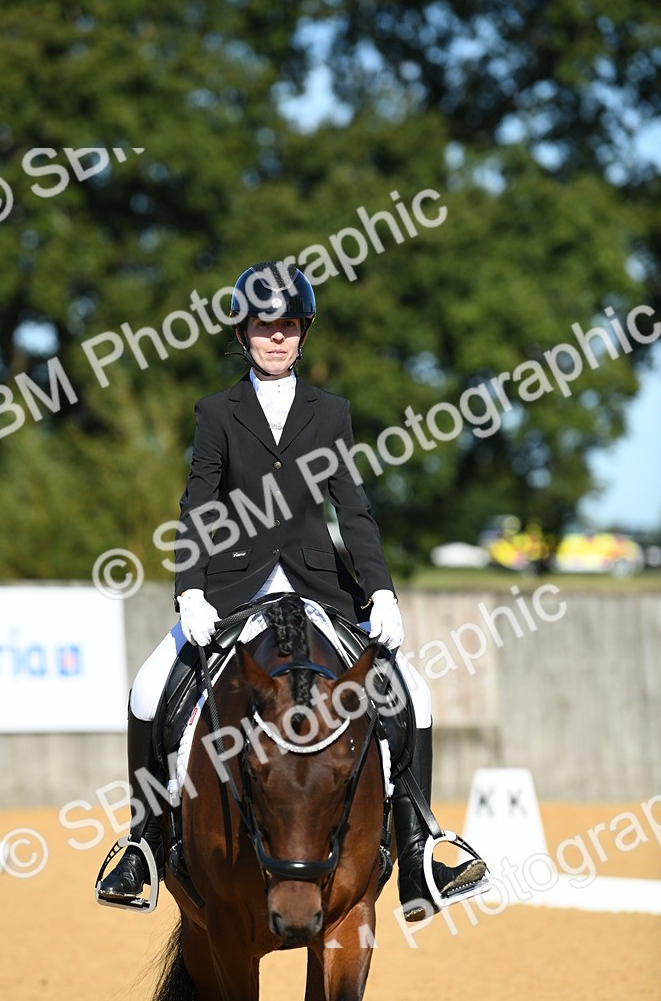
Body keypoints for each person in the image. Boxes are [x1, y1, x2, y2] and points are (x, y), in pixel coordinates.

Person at [96, 261, 488, 919]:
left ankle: (418, 846)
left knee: (414, 692)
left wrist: (381, 593)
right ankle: (144, 842)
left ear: (303, 332)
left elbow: (352, 509)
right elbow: (197, 505)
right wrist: (188, 590)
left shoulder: (330, 413)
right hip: (231, 586)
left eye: (286, 327)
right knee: (146, 685)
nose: (274, 338)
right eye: (262, 326)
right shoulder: (217, 412)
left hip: (319, 586)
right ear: (243, 332)